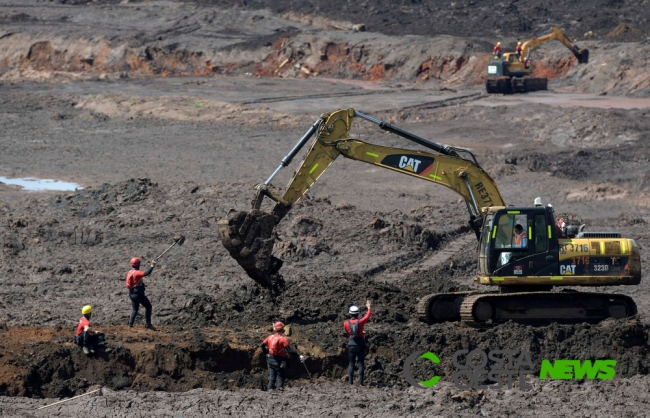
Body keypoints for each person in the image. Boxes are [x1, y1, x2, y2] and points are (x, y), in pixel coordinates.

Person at [260, 322, 304, 391]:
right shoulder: (283, 339)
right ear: (282, 329)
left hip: (270, 359)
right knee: (281, 378)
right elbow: (290, 351)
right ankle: (279, 392)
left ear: (275, 329)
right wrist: (299, 356)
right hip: (279, 361)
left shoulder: (270, 337)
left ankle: (270, 392)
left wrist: (266, 354)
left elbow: (262, 345)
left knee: (272, 378)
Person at [344, 300, 372, 386]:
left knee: (351, 364)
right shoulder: (360, 322)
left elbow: (348, 333)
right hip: (360, 344)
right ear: (357, 313)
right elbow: (367, 316)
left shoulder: (345, 323)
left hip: (351, 344)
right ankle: (361, 382)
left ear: (350, 313)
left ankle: (350, 382)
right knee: (360, 364)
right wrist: (369, 307)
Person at [125, 257, 156, 329]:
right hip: (138, 294)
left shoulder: (130, 272)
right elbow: (147, 273)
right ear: (138, 264)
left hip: (131, 293)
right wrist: (152, 265)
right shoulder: (137, 273)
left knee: (135, 309)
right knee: (148, 307)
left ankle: (130, 325)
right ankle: (148, 324)